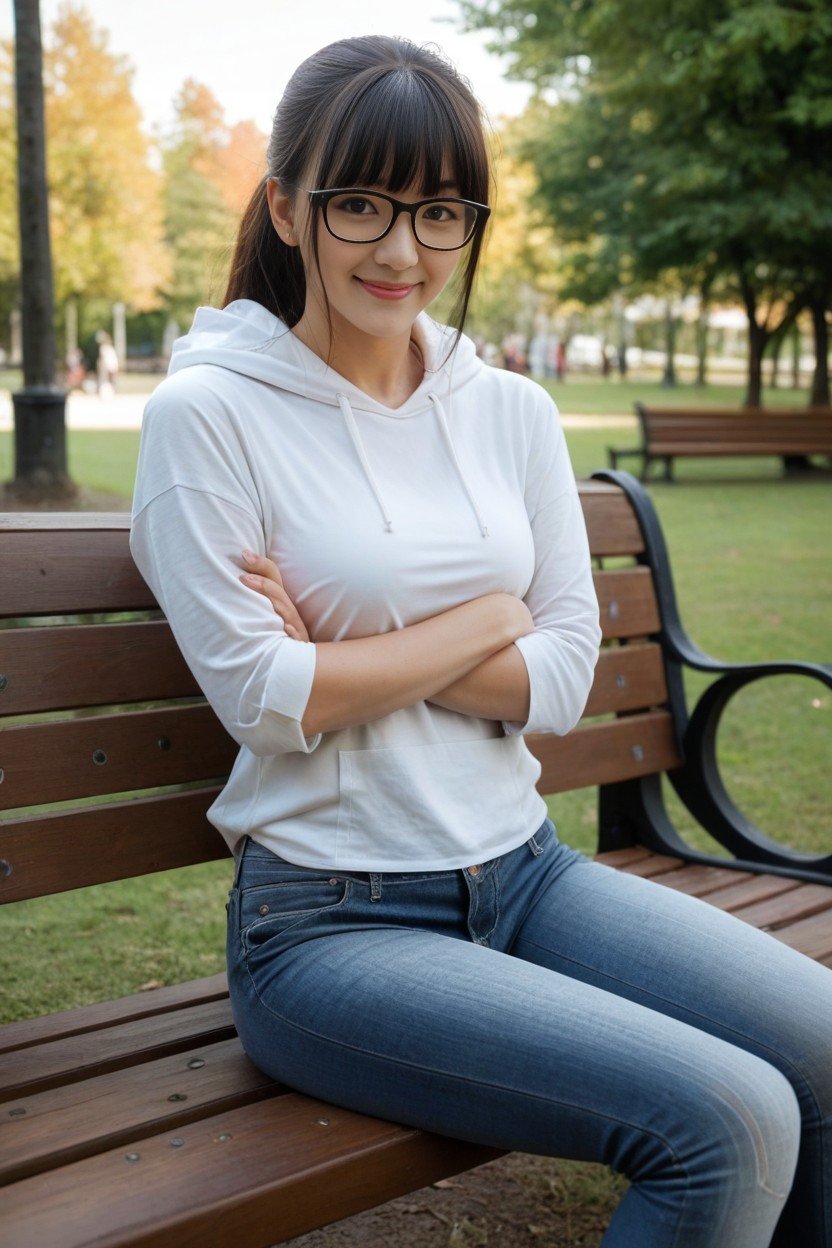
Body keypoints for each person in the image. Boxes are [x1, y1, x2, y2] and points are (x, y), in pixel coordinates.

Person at [128, 35, 831, 1248]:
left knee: (819, 1048)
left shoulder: (508, 407)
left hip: (527, 872)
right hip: (328, 928)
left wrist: (350, 657)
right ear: (287, 208)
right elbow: (267, 698)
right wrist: (484, 617)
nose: (403, 250)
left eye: (441, 212)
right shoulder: (209, 414)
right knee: (730, 1121)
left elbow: (559, 680)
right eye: (361, 203)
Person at [95, 330, 119, 397]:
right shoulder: (108, 348)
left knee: (106, 380)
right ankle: (108, 392)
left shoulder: (105, 348)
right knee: (108, 380)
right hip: (110, 366)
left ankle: (107, 392)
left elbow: (105, 359)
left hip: (108, 366)